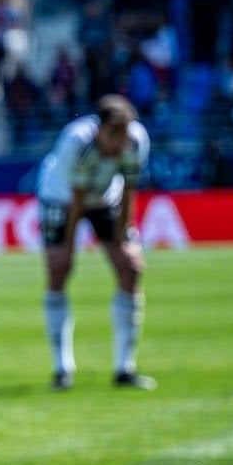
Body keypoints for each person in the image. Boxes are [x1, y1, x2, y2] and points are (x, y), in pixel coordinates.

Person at [35, 94, 156, 391]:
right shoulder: (77, 143)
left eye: (123, 134)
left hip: (106, 198)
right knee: (59, 268)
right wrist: (67, 246)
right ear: (98, 129)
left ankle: (124, 368)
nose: (119, 143)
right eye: (114, 135)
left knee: (130, 266)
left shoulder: (137, 141)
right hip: (61, 199)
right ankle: (62, 369)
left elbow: (129, 188)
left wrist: (123, 237)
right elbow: (77, 198)